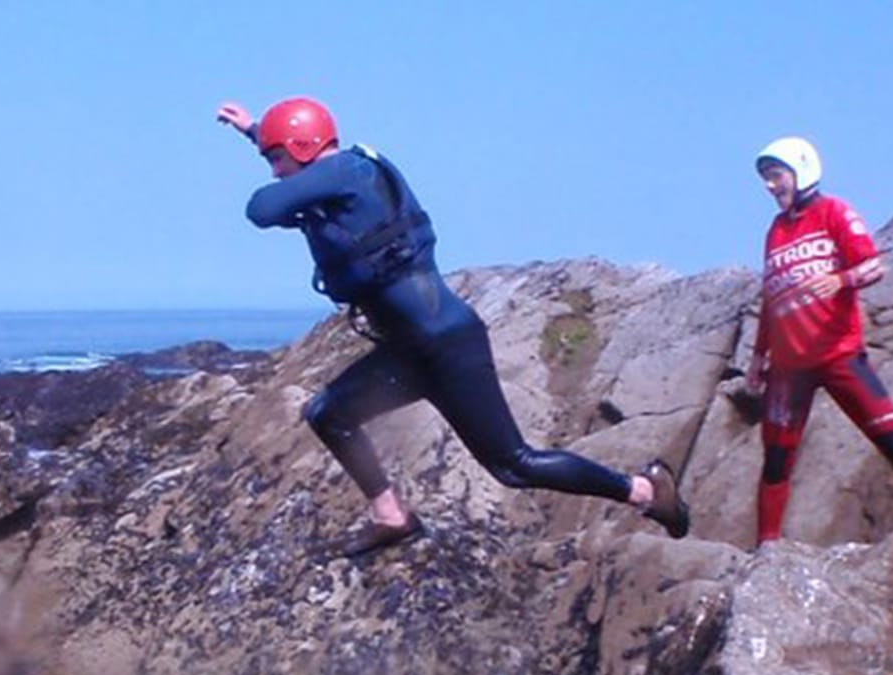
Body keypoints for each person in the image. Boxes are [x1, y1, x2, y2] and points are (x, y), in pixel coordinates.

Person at [215, 96, 689, 555]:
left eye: (277, 158)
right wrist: (256, 130)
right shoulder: (336, 180)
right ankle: (391, 517)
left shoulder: (345, 171)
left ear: (302, 146)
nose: (275, 171)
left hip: (447, 347)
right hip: (408, 352)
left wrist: (269, 142)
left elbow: (260, 209)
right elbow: (286, 188)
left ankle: (645, 491)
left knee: (514, 465)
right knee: (328, 415)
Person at [746, 136, 893, 544]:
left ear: (801, 171)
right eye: (765, 178)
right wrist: (757, 358)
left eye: (775, 175)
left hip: (838, 355)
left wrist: (840, 279)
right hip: (787, 368)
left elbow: (872, 265)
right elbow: (771, 298)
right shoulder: (774, 231)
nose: (769, 186)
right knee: (776, 461)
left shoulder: (833, 211)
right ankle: (766, 549)